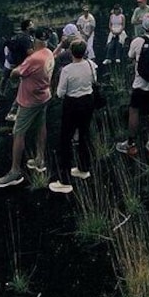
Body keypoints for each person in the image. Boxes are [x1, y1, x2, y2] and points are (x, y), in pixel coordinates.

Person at [0, 28, 56, 188]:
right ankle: (39, 159)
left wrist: (17, 66)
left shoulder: (34, 59)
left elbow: (15, 73)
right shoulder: (49, 53)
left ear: (34, 40)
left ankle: (15, 171)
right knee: (41, 126)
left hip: (29, 101)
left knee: (18, 132)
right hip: (44, 96)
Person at [115, 15, 149, 158]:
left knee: (134, 111)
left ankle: (131, 144)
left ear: (143, 27)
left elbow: (130, 56)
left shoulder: (137, 41)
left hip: (140, 84)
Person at [50, 40, 98, 194]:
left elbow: (60, 93)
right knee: (84, 134)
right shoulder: (91, 65)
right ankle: (84, 168)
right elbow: (93, 81)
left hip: (72, 104)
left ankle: (65, 178)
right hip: (88, 102)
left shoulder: (67, 70)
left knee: (66, 139)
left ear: (71, 52)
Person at [3, 19, 35, 122]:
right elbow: (30, 53)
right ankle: (13, 112)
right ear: (27, 27)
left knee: (19, 88)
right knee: (23, 89)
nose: (33, 26)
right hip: (24, 66)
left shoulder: (18, 37)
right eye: (31, 24)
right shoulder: (26, 39)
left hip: (17, 66)